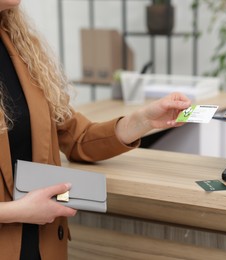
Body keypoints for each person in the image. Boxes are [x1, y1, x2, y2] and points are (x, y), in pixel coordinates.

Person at [0, 1, 191, 259]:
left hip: (41, 245)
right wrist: (17, 211)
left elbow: (77, 137)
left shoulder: (21, 46)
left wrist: (144, 120)